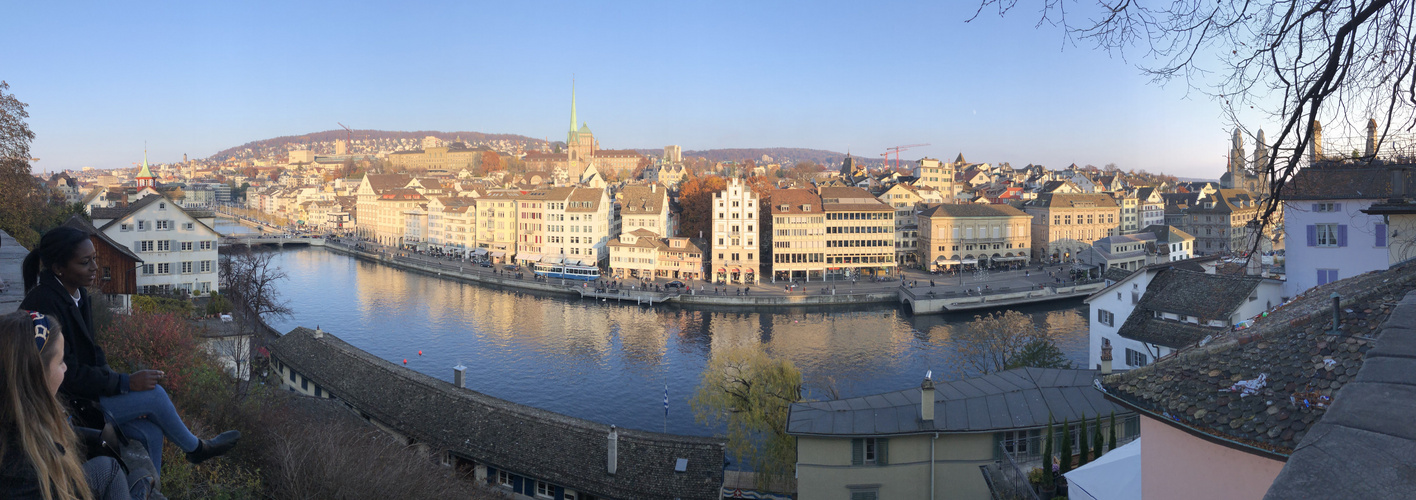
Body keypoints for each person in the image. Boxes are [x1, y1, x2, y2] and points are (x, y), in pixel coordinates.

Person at [19, 228, 240, 473]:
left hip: (86, 395)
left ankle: (149, 491)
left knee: (151, 432)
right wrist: (125, 384)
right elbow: (67, 375)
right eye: (85, 262)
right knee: (154, 395)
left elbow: (92, 350)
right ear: (59, 268)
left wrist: (120, 388)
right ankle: (197, 450)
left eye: (94, 258)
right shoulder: (45, 304)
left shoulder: (76, 293)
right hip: (66, 406)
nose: (94, 267)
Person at [1, 310, 144, 500]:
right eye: (60, 362)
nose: (65, 367)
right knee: (118, 471)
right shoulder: (26, 474)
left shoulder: (14, 421)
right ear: (37, 377)